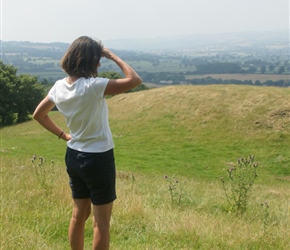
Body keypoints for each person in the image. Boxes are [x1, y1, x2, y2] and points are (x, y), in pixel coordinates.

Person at [33, 36, 142, 250]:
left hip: (74, 156)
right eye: (98, 59)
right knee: (101, 223)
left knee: (78, 217)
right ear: (89, 61)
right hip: (98, 158)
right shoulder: (93, 86)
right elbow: (134, 80)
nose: (100, 64)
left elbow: (39, 114)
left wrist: (64, 136)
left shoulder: (59, 87)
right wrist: (112, 55)